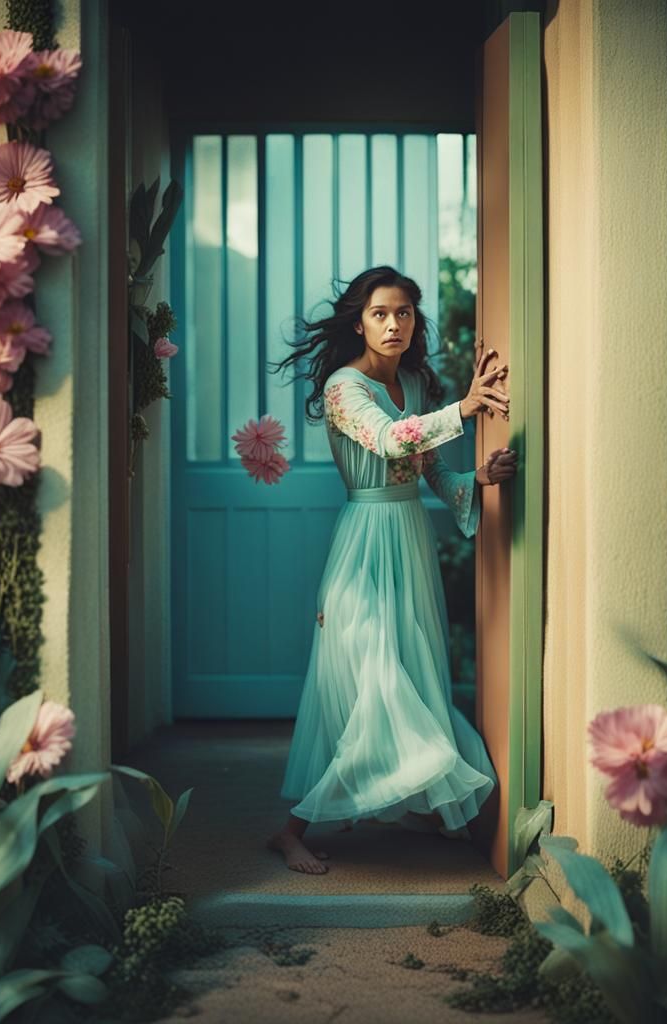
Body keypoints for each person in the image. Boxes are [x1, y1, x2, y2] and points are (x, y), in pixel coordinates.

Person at [266, 265, 517, 874]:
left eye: (404, 312)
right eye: (380, 313)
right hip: (364, 544)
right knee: (373, 684)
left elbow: (430, 471)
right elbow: (389, 441)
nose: (394, 324)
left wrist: (475, 480)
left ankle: (424, 809)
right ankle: (290, 831)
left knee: (412, 668)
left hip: (408, 540)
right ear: (359, 321)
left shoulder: (412, 381)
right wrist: (465, 407)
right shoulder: (343, 389)